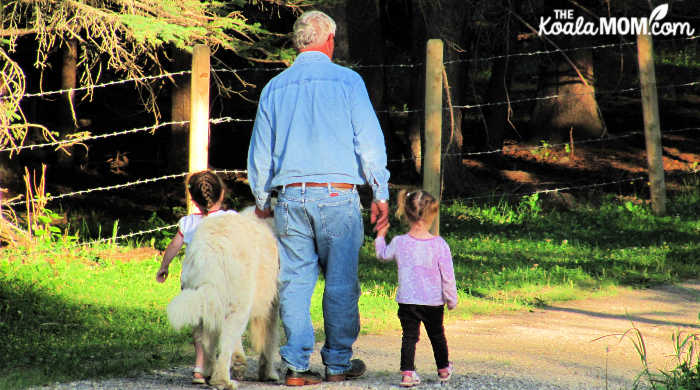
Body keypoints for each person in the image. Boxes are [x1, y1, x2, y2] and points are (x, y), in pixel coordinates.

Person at [247, 9, 390, 387]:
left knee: (294, 281)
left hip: (291, 198)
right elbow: (369, 142)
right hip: (338, 197)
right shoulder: (348, 82)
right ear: (329, 40)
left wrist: (262, 199)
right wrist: (380, 191)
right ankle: (338, 363)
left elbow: (260, 152)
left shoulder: (275, 88)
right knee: (341, 282)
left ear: (299, 43)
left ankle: (295, 366)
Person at [155, 170, 236, 385]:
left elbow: (174, 245)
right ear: (222, 194)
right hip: (222, 278)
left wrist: (164, 267)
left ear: (193, 199)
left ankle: (199, 367)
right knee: (225, 319)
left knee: (199, 324)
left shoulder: (188, 223)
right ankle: (221, 363)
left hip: (193, 277)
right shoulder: (230, 219)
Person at [374, 189, 458, 388]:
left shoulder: (399, 242)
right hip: (433, 301)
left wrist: (380, 236)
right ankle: (444, 369)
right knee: (437, 335)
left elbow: (383, 255)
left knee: (409, 337)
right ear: (432, 215)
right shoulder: (439, 245)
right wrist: (451, 298)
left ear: (406, 213)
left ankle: (407, 374)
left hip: (407, 300)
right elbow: (448, 276)